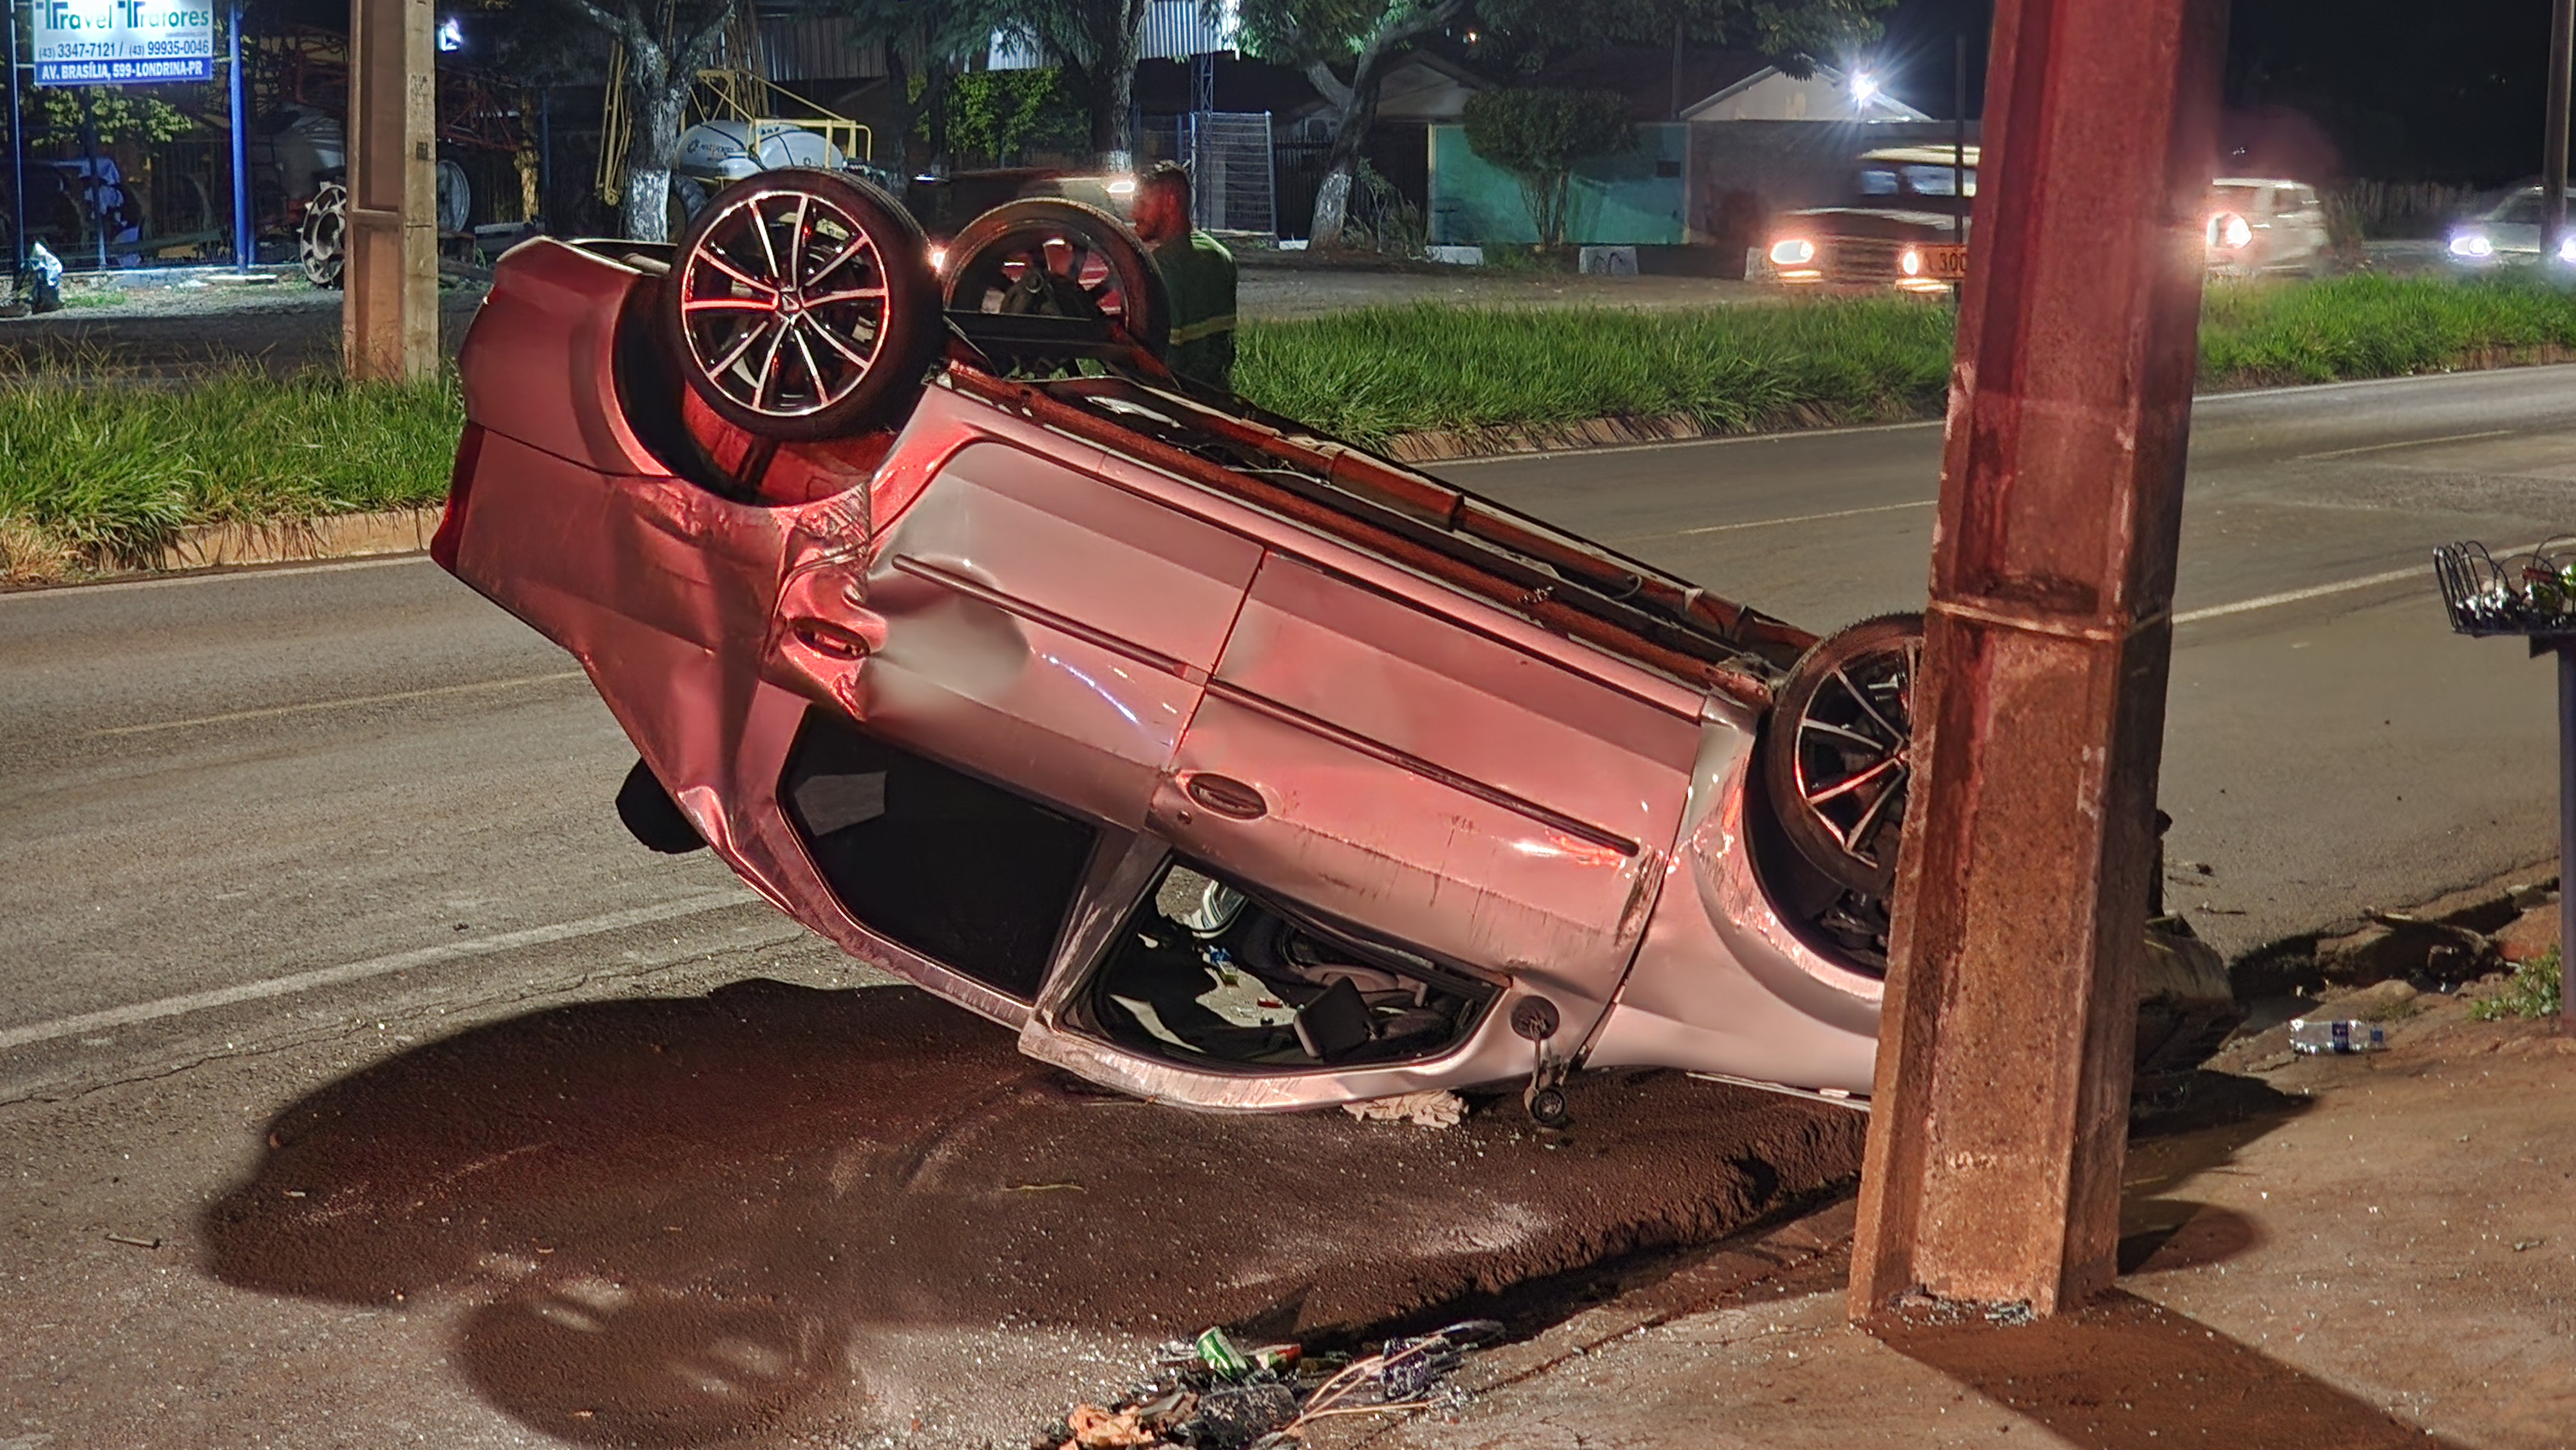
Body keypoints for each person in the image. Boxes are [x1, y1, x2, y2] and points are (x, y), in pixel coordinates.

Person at [1126, 162, 1236, 393]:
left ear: (1170, 202)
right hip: (1217, 395)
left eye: (1143, 204)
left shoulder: (1160, 268)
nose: (1134, 214)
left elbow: (1163, 358)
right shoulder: (1222, 256)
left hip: (1172, 400)